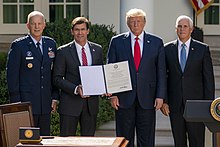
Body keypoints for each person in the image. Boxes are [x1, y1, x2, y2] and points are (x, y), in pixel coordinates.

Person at [107, 8, 166, 147]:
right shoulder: (117, 41)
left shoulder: (157, 42)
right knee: (124, 140)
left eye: (138, 21)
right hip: (123, 98)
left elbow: (161, 71)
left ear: (144, 23)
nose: (135, 24)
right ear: (128, 23)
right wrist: (113, 94)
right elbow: (111, 68)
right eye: (132, 21)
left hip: (148, 98)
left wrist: (160, 96)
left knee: (146, 140)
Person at [160, 15, 215, 147]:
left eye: (185, 26)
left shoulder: (202, 49)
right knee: (179, 142)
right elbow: (163, 77)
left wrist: (208, 105)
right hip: (175, 104)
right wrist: (164, 101)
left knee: (197, 141)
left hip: (196, 105)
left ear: (191, 29)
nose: (182, 29)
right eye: (179, 26)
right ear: (175, 29)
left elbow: (208, 80)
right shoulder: (167, 49)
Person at [6, 11, 59, 136]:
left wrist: (55, 97)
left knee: (45, 138)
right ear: (28, 25)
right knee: (27, 139)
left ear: (44, 25)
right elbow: (12, 75)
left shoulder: (51, 44)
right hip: (26, 102)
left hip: (45, 102)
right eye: (33, 23)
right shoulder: (19, 45)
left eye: (39, 23)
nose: (36, 27)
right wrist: (16, 102)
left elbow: (54, 73)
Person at [53, 17, 103, 137]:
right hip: (70, 104)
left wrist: (104, 88)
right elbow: (57, 78)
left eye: (83, 29)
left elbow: (100, 73)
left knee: (89, 142)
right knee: (66, 142)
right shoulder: (63, 51)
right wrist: (75, 89)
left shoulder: (97, 49)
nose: (80, 33)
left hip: (90, 105)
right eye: (76, 30)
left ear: (88, 31)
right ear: (72, 31)